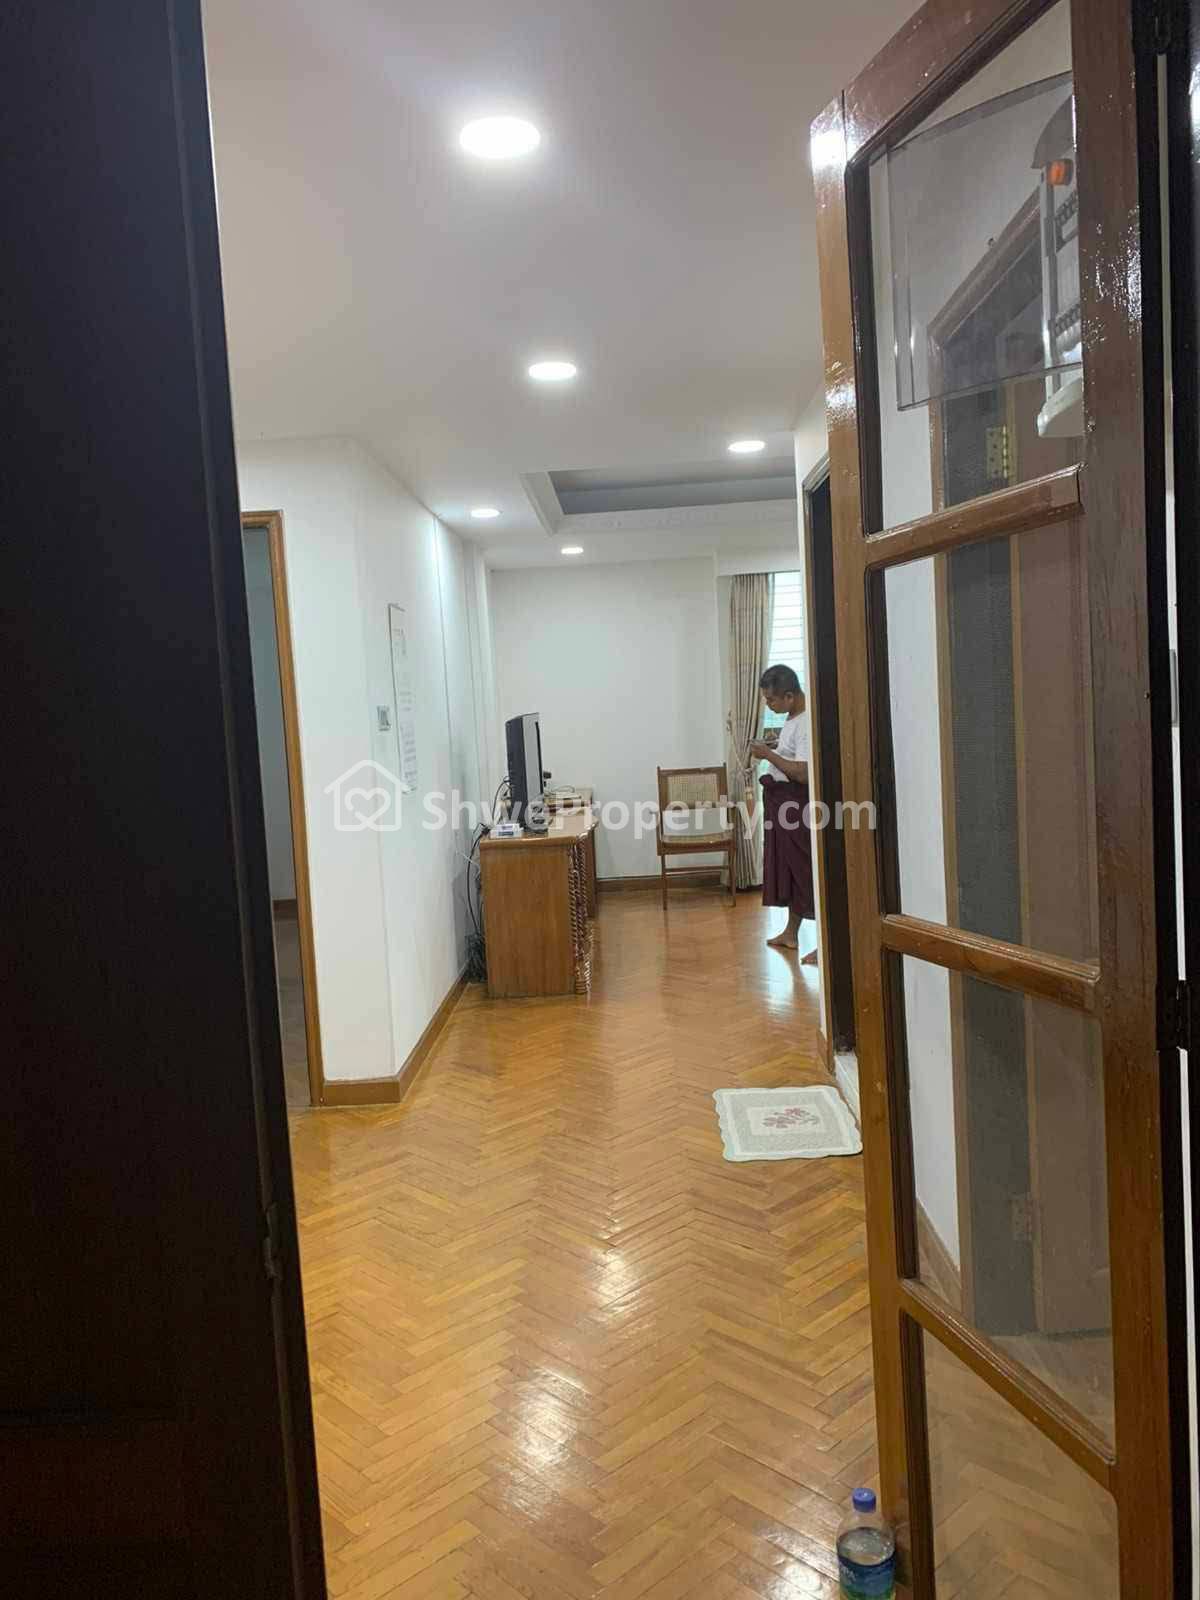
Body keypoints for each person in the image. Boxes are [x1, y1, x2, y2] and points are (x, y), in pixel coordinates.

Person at [749, 664, 817, 961]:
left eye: (771, 700)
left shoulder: (807, 722)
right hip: (783, 804)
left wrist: (768, 754)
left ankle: (827, 943)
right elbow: (793, 755)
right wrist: (776, 747)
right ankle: (791, 933)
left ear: (789, 696)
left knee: (806, 870)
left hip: (797, 807)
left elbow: (803, 773)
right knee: (791, 870)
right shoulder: (792, 717)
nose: (768, 705)